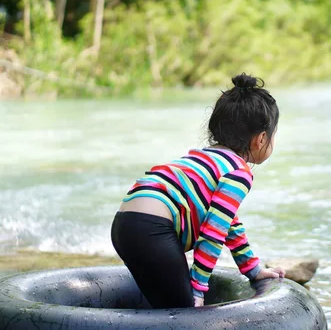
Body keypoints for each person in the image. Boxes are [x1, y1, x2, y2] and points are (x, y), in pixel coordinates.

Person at [111, 73, 285, 309]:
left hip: (125, 224)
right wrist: (198, 288)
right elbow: (214, 233)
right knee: (185, 312)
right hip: (152, 228)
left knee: (165, 306)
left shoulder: (204, 158)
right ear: (261, 139)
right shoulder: (238, 171)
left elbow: (230, 225)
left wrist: (253, 270)